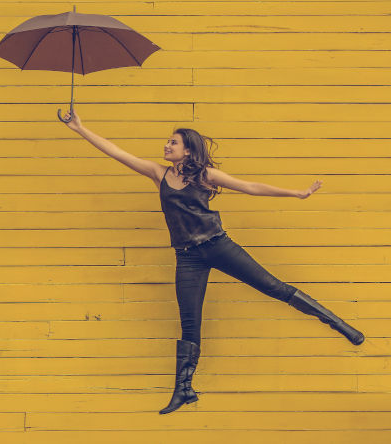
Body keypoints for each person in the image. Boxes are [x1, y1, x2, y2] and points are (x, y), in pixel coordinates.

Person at [61, 108, 365, 415]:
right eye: (168, 142)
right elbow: (117, 152)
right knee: (190, 324)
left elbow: (250, 187)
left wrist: (296, 193)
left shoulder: (205, 175)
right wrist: (80, 129)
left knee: (273, 287)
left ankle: (340, 324)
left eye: (173, 142)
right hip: (187, 257)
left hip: (218, 245)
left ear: (188, 150)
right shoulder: (159, 174)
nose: (167, 146)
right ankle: (184, 390)